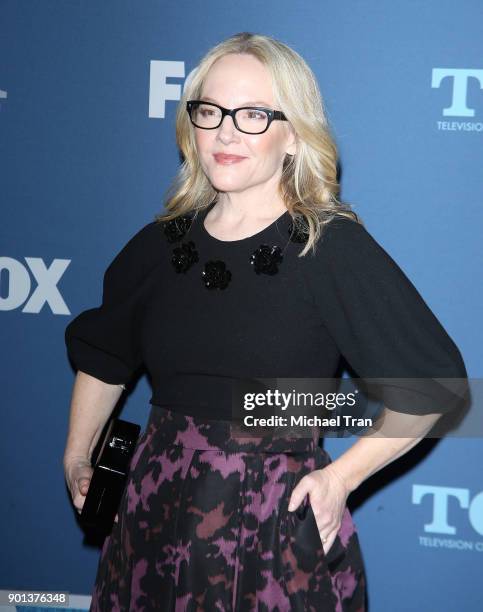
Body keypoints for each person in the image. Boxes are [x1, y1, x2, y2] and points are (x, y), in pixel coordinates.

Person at [63, 32, 468, 612]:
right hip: (150, 512)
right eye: (211, 111)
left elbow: (435, 384)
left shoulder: (329, 248)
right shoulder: (158, 246)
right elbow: (104, 356)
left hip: (271, 522)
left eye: (253, 114)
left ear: (294, 135)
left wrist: (341, 478)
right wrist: (78, 455)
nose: (226, 131)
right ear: (191, 125)